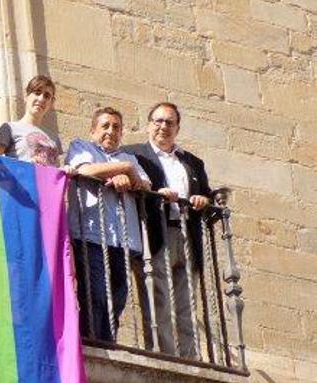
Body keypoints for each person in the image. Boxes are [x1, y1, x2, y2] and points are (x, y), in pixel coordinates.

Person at [123, 102, 212, 359]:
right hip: (154, 234)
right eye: (158, 121)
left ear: (177, 128)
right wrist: (154, 193)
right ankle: (166, 357)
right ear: (149, 125)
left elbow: (205, 194)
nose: (163, 127)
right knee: (158, 299)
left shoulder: (193, 162)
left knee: (187, 302)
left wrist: (202, 200)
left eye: (170, 122)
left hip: (187, 234)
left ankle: (190, 358)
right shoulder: (134, 155)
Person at [66, 107, 151, 342]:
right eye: (105, 126)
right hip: (92, 235)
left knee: (119, 295)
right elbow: (85, 169)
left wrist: (127, 174)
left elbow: (145, 185)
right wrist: (123, 170)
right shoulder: (81, 147)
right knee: (96, 295)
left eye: (116, 127)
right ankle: (95, 344)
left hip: (123, 239)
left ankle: (106, 341)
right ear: (93, 130)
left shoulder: (129, 158)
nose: (111, 131)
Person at [0, 75, 64, 166]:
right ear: (26, 96)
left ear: (51, 103)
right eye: (37, 93)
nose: (41, 99)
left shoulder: (54, 137)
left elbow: (57, 170)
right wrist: (26, 165)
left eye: (47, 96)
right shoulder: (9, 128)